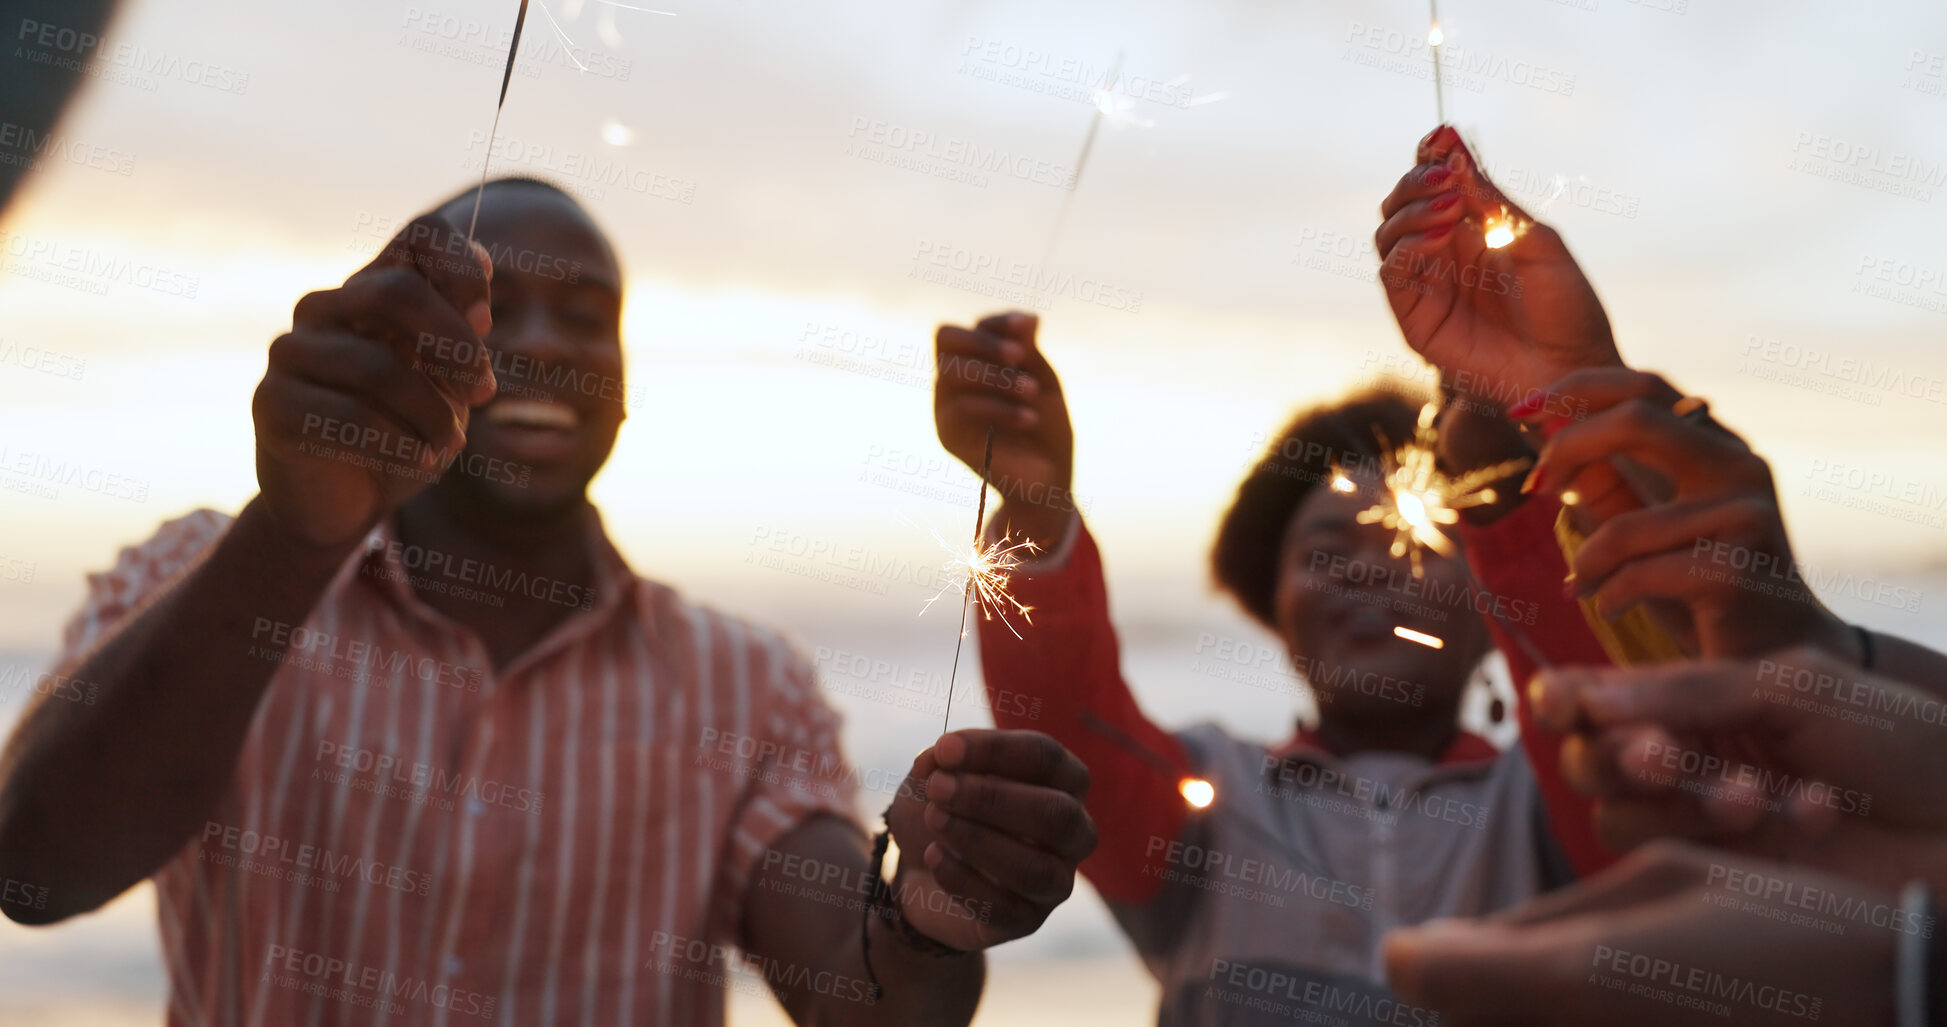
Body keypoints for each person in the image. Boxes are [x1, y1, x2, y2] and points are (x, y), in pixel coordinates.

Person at [0, 176, 1099, 1025]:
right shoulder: (207, 573)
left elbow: (861, 993)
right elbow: (36, 866)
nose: (538, 347)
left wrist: (938, 910)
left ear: (623, 382)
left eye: (585, 316)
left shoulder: (742, 680)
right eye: (491, 305)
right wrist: (294, 536)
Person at [930, 304, 1621, 1024]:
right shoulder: (1205, 802)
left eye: (1413, 545)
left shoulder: (1557, 798)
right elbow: (1064, 718)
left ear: (1493, 608)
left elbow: (1610, 710)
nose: (1368, 571)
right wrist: (1035, 508)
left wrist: (1507, 508)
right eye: (1324, 552)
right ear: (1277, 610)